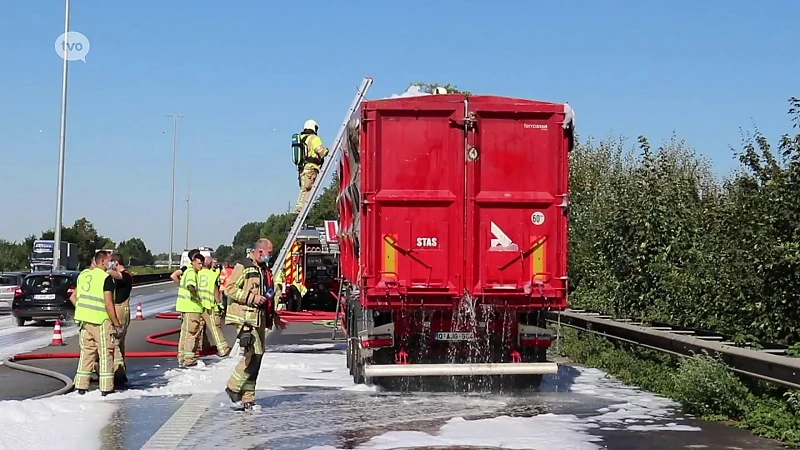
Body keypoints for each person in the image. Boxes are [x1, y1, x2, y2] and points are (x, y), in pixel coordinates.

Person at [223, 238, 287, 410]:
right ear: (260, 252)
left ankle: (248, 398)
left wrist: (274, 317)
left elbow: (268, 295)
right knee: (254, 354)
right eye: (270, 253)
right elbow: (229, 289)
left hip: (259, 319)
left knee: (256, 357)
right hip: (244, 319)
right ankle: (233, 386)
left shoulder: (265, 270)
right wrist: (251, 298)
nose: (270, 257)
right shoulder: (243, 267)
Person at [70, 250, 123, 395]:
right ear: (102, 262)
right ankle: (106, 387)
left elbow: (74, 297)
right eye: (110, 260)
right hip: (100, 321)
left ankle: (81, 385)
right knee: (106, 353)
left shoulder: (84, 275)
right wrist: (117, 324)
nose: (112, 263)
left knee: (87, 353)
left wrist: (81, 310)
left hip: (84, 321)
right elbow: (108, 303)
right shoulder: (105, 278)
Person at [175, 253, 204, 368]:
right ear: (193, 262)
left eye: (202, 264)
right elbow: (190, 286)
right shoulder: (192, 272)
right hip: (191, 307)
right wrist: (196, 296)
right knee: (192, 334)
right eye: (199, 263)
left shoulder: (187, 271)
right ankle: (189, 359)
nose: (201, 266)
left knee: (185, 333)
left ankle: (182, 357)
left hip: (186, 307)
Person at [197, 255, 230, 357]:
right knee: (215, 328)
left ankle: (204, 347)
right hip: (210, 305)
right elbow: (215, 291)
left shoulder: (197, 274)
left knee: (200, 329)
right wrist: (220, 304)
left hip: (199, 305)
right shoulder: (213, 274)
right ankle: (223, 349)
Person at [294, 119, 329, 213]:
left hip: (302, 168)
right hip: (311, 168)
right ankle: (300, 209)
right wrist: (327, 151)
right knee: (307, 188)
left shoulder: (301, 138)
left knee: (304, 188)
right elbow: (320, 151)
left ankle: (301, 209)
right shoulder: (314, 138)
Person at [108, 254, 133, 384]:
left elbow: (118, 276)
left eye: (111, 262)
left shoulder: (125, 275)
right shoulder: (123, 275)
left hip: (120, 308)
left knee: (115, 340)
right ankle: (120, 368)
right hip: (121, 308)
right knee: (120, 342)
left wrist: (105, 269)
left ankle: (119, 372)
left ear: (116, 263)